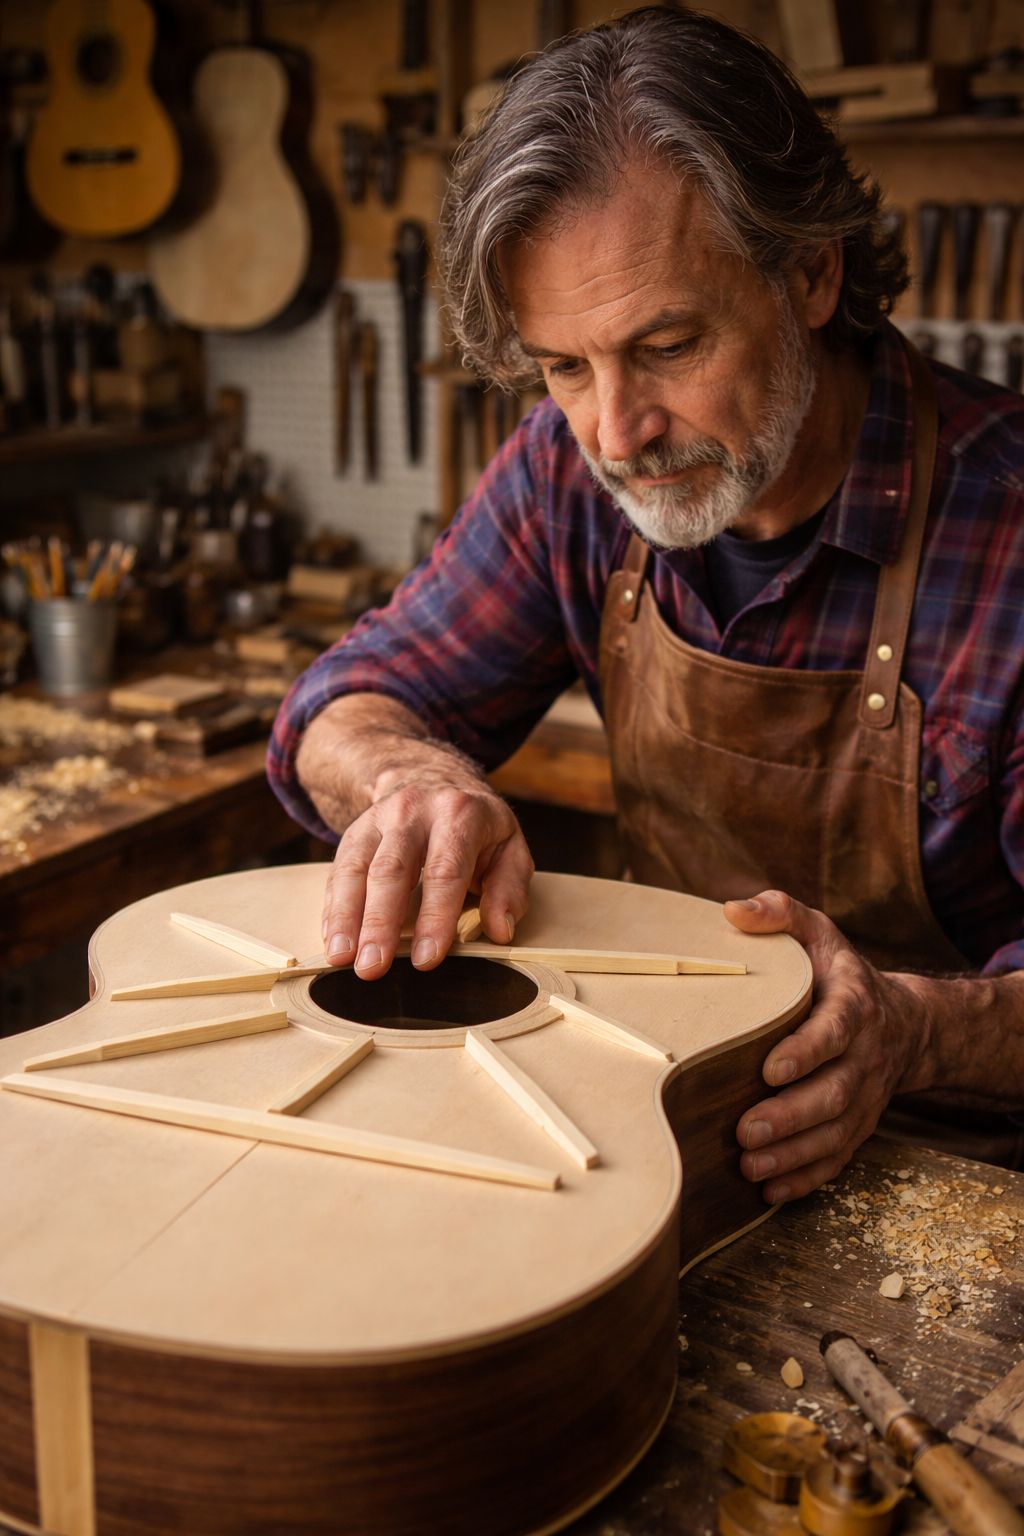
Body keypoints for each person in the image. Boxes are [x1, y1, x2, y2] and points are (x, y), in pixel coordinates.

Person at [269, 7, 1024, 1201]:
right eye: (565, 368)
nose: (616, 435)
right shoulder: (566, 477)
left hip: (967, 1178)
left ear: (811, 273)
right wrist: (408, 782)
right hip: (657, 1137)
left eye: (667, 344)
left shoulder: (1008, 533)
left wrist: (916, 1032)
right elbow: (342, 705)